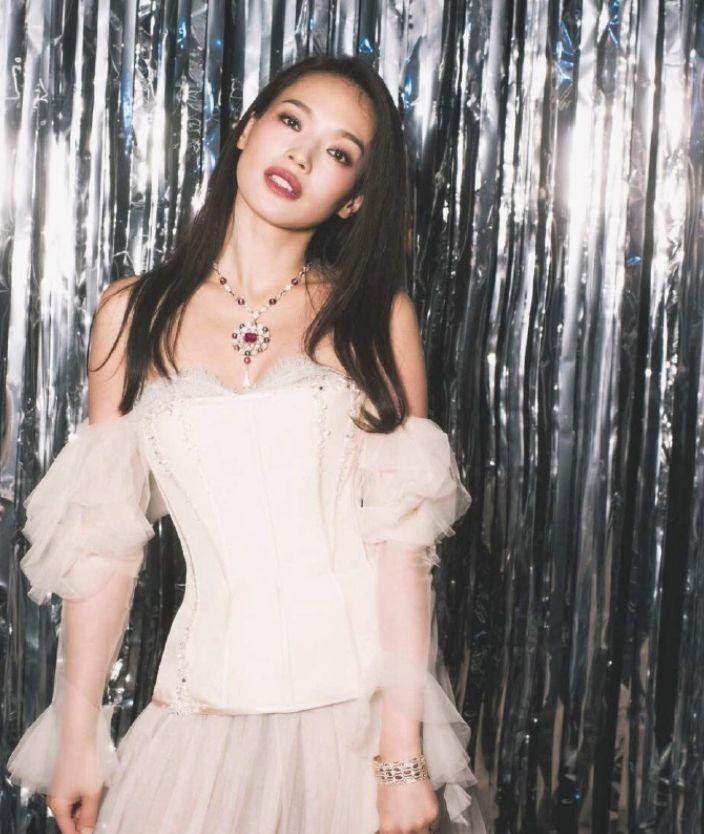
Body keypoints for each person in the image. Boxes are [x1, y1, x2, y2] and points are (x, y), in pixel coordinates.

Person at [6, 54, 486, 834]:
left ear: (354, 197)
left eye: (338, 152)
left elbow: (403, 551)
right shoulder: (132, 314)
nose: (301, 154)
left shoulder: (373, 319)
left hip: (355, 726)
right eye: (290, 122)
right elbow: (102, 551)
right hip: (199, 718)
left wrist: (402, 757)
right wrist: (78, 735)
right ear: (246, 130)